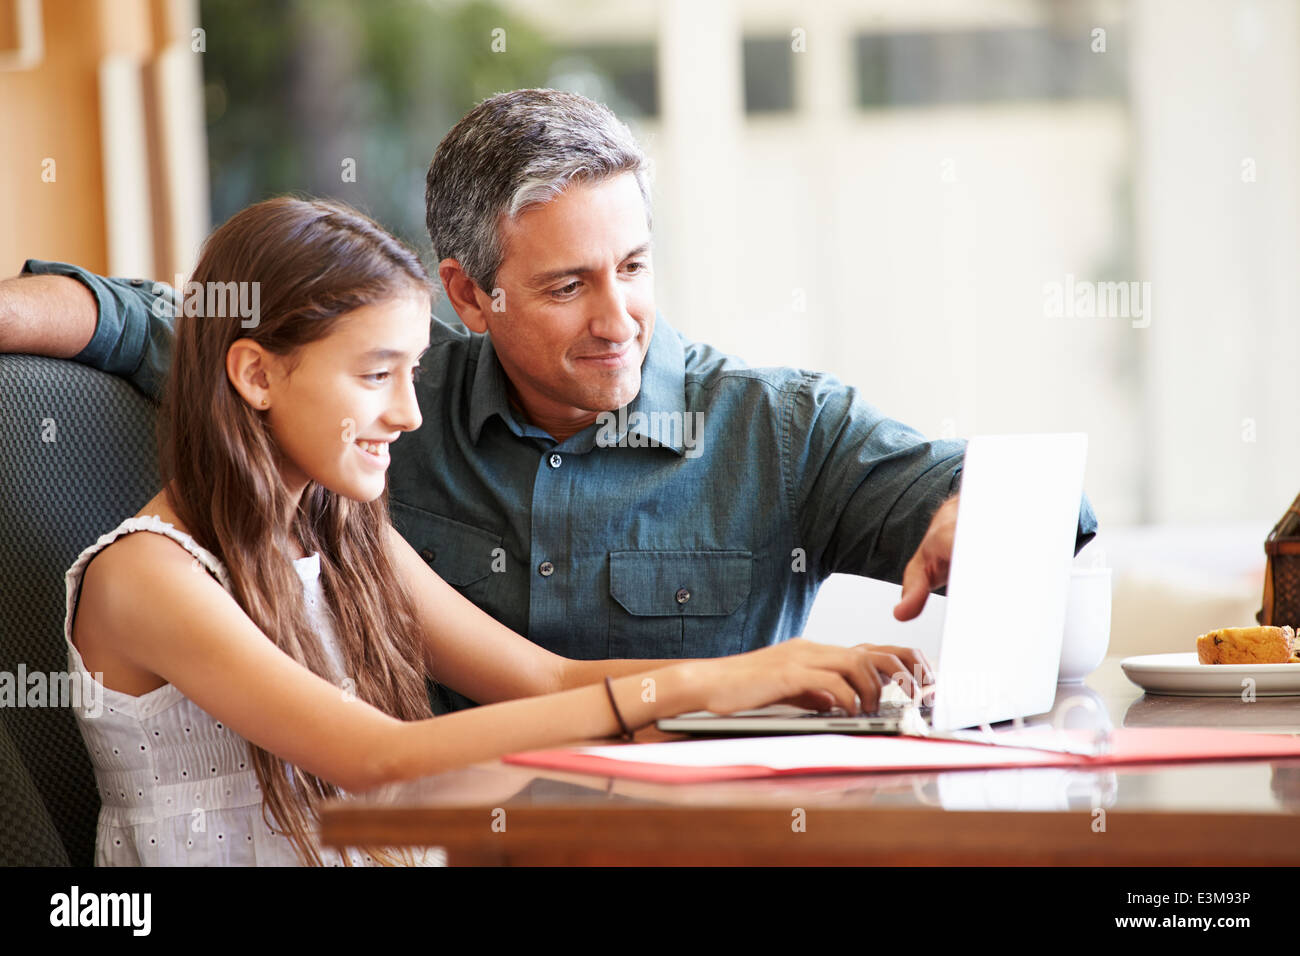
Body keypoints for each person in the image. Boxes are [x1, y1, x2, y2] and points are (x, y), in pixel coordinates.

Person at [2, 89, 1097, 716]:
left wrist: (976, 508)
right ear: (469, 295)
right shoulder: (376, 393)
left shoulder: (780, 425)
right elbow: (139, 316)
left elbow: (988, 491)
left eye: (633, 265)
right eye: (569, 285)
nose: (617, 315)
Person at [56, 195, 933, 866]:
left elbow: (546, 679)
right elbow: (376, 757)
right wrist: (708, 687)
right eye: (374, 376)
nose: (406, 414)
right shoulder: (147, 577)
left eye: (413, 374)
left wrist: (763, 688)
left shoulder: (338, 532)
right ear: (254, 374)